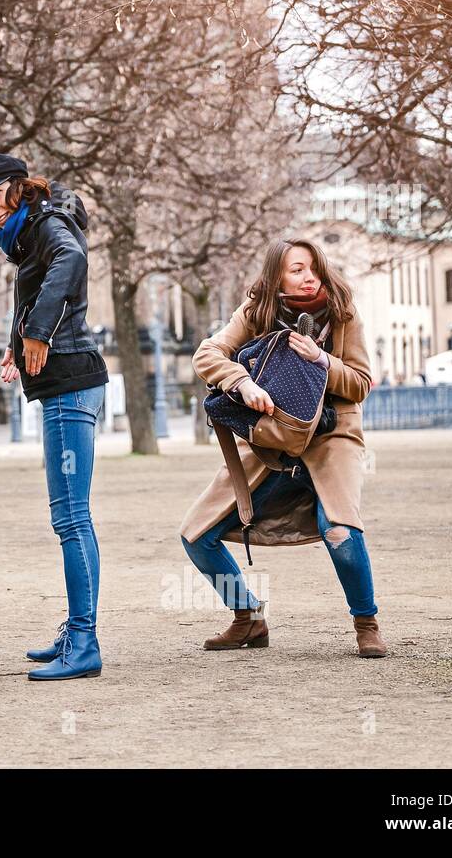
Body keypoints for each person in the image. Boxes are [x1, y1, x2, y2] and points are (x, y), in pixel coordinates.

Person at [179, 238, 387, 658]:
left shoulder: (343, 311)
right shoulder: (257, 309)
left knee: (340, 531)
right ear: (277, 275)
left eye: (313, 267)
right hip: (271, 439)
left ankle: (367, 622)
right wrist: (242, 382)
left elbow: (361, 384)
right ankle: (248, 619)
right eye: (297, 269)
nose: (308, 276)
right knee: (196, 535)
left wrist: (322, 361)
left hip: (332, 437)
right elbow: (208, 353)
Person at [0, 153, 109, 681]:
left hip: (71, 382)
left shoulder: (49, 226)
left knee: (71, 518)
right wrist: (14, 343)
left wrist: (38, 333)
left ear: (16, 188)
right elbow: (37, 290)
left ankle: (85, 640)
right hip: (67, 383)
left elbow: (71, 263)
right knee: (70, 516)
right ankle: (76, 630)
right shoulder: (34, 234)